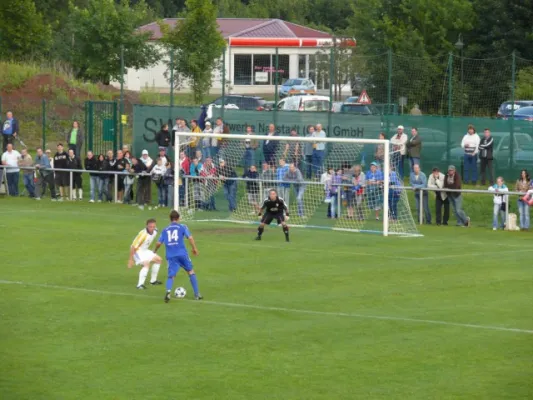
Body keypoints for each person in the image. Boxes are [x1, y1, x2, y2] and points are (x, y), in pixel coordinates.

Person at [154, 210, 202, 303]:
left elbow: (159, 243)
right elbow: (190, 238)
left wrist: (155, 251)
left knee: (171, 276)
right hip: (182, 254)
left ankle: (168, 291)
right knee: (191, 271)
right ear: (178, 218)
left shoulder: (165, 229)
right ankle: (197, 294)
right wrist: (194, 248)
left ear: (170, 219)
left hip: (171, 256)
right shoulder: (182, 227)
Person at [127, 218, 163, 290]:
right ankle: (140, 285)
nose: (152, 228)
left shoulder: (155, 231)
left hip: (144, 250)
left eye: (153, 226)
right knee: (146, 264)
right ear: (146, 226)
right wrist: (130, 260)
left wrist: (154, 250)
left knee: (159, 260)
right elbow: (133, 246)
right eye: (150, 227)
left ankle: (153, 281)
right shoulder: (143, 234)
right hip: (137, 251)